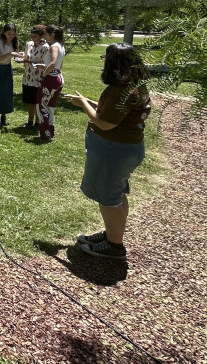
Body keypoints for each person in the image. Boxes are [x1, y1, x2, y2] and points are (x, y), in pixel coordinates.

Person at [65, 43, 152, 260]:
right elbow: (116, 113)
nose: (103, 62)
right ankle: (113, 235)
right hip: (127, 148)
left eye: (106, 58)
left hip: (114, 150)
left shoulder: (121, 89)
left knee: (109, 198)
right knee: (117, 193)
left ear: (113, 64)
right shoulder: (135, 85)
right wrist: (89, 102)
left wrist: (85, 104)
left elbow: (104, 123)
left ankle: (114, 246)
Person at [13, 24, 49, 129]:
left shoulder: (46, 47)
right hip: (28, 76)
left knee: (37, 101)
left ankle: (38, 123)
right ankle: (29, 121)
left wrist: (28, 61)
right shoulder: (29, 44)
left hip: (38, 77)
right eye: (32, 36)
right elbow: (25, 57)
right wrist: (20, 58)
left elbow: (45, 63)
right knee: (29, 101)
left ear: (41, 36)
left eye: (35, 37)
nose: (33, 39)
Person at [36, 25, 67, 141]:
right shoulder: (61, 46)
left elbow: (53, 63)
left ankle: (45, 134)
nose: (44, 36)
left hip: (50, 79)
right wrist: (44, 66)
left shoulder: (53, 46)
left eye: (45, 34)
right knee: (51, 106)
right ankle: (50, 132)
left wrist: (43, 75)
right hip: (58, 77)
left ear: (52, 35)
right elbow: (58, 65)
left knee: (41, 105)